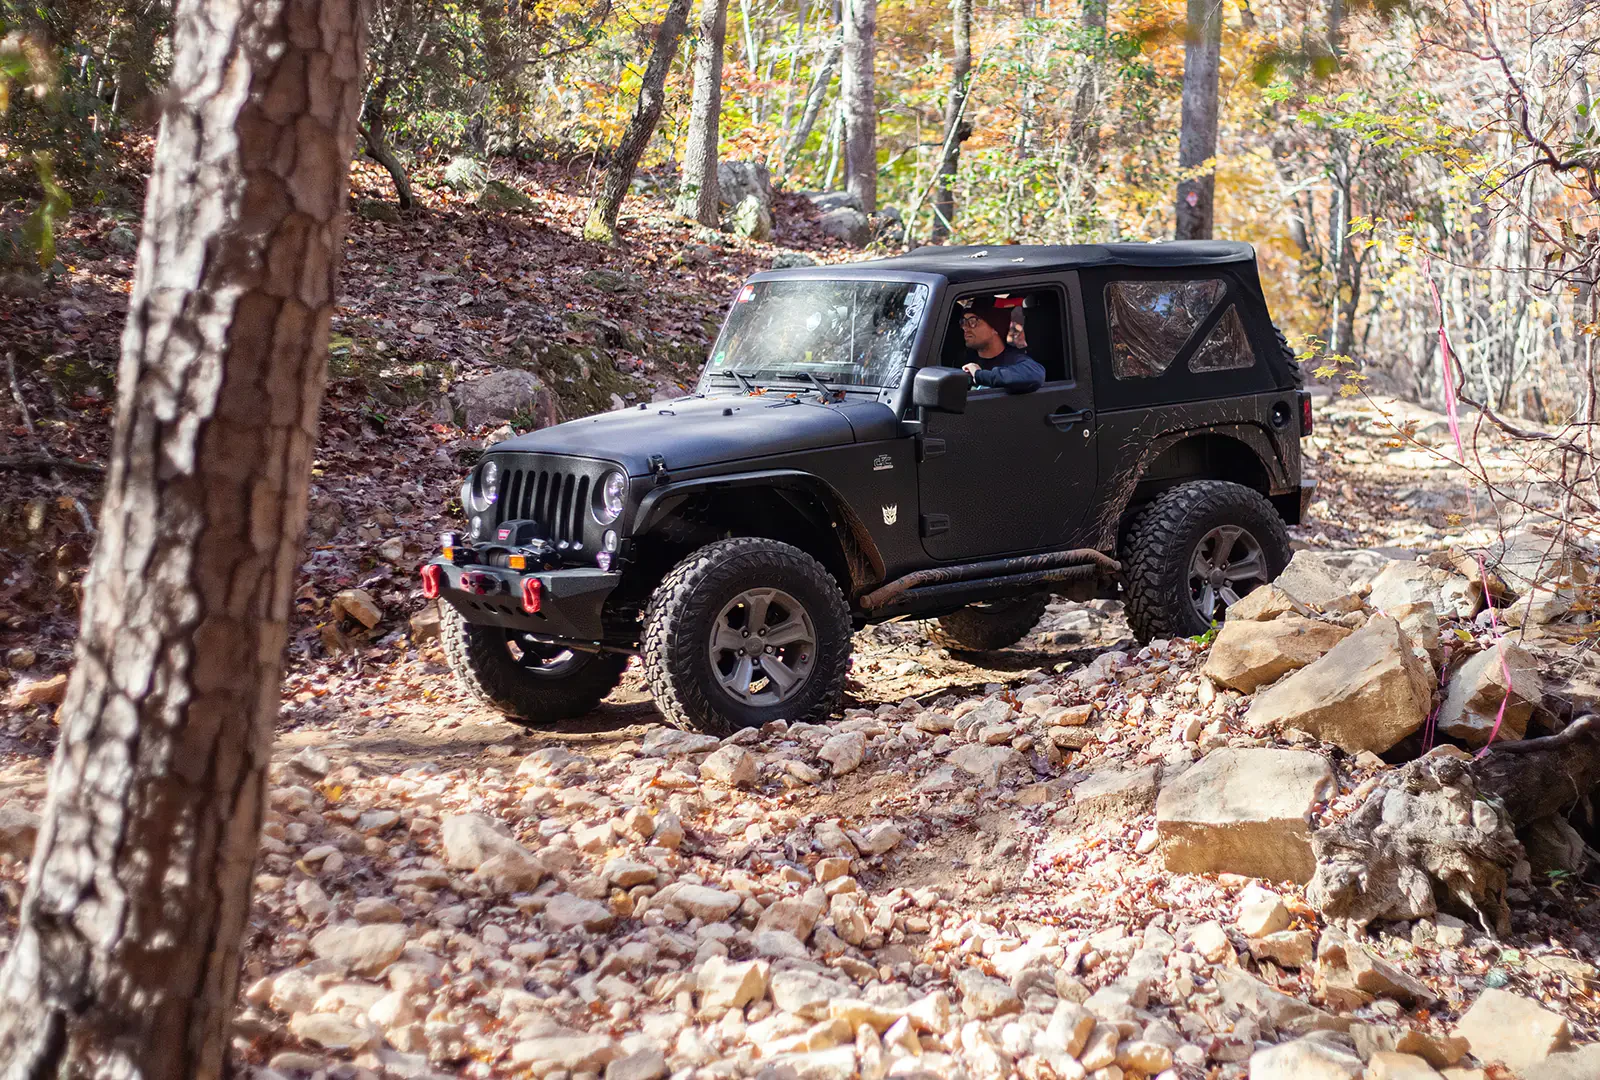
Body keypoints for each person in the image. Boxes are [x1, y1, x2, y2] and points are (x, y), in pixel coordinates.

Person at [960, 301, 1044, 392]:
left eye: (972, 322)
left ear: (995, 329)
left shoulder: (1014, 360)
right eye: (963, 322)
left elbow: (1035, 375)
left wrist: (979, 375)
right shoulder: (962, 359)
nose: (965, 327)